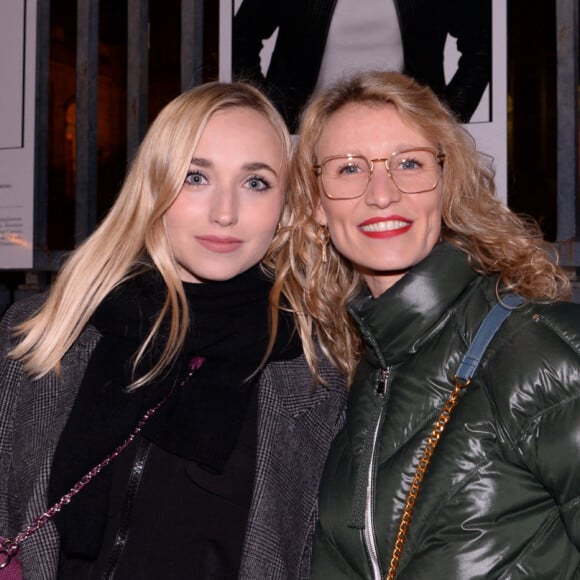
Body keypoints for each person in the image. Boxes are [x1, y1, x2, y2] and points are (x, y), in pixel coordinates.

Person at [0, 81, 346, 580]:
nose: (224, 212)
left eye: (256, 183)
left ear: (286, 205)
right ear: (154, 185)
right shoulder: (44, 331)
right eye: (195, 177)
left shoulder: (314, 370)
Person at [269, 70, 580, 578]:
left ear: (447, 183)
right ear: (315, 204)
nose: (382, 193)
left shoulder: (541, 351)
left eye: (408, 163)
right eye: (349, 169)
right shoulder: (358, 375)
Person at [232, 0, 491, 131]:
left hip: (407, 137)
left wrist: (447, 119)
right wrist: (267, 112)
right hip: (303, 137)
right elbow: (240, 39)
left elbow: (482, 46)